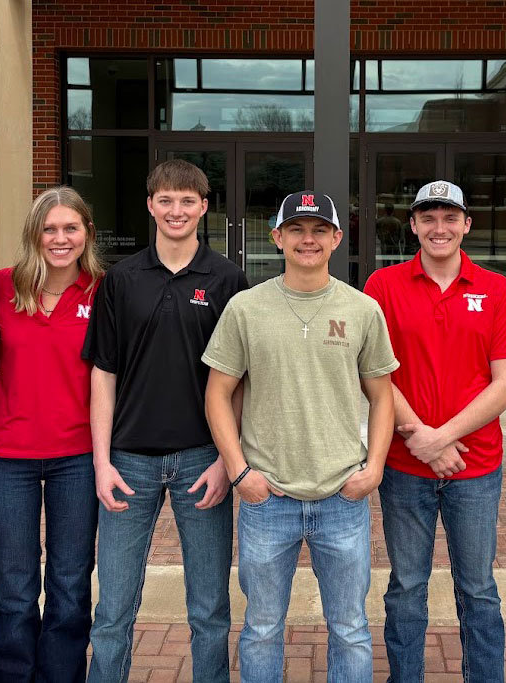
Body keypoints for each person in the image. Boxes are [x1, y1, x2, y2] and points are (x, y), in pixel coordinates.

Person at [203, 190, 397, 682]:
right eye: (296, 229)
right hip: (268, 497)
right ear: (277, 237)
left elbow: (382, 396)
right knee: (263, 626)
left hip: (341, 497)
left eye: (317, 230)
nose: (307, 240)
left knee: (350, 627)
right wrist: (239, 471)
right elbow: (218, 394)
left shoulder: (362, 309)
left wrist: (373, 468)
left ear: (336, 237)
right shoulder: (247, 308)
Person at [83, 159, 247, 683]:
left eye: (187, 200)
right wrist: (101, 461)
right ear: (150, 205)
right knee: (111, 611)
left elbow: (238, 381)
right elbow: (103, 376)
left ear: (204, 207)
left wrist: (227, 459)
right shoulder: (120, 280)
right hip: (129, 461)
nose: (176, 210)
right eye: (166, 200)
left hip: (203, 458)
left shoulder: (227, 279)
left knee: (210, 611)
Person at [363, 180, 506, 683]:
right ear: (412, 224)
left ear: (466, 225)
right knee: (406, 585)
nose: (440, 227)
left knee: (477, 587)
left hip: (475, 467)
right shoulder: (382, 286)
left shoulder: (495, 289)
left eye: (450, 217)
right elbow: (375, 373)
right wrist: (420, 437)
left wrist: (441, 436)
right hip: (403, 466)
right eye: (428, 217)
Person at [0, 186, 106, 682]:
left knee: (71, 586)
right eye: (49, 229)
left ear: (87, 233)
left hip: (78, 456)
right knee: (12, 587)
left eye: (70, 228)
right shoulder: (1, 286)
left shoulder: (104, 290)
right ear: (34, 234)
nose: (60, 238)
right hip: (7, 455)